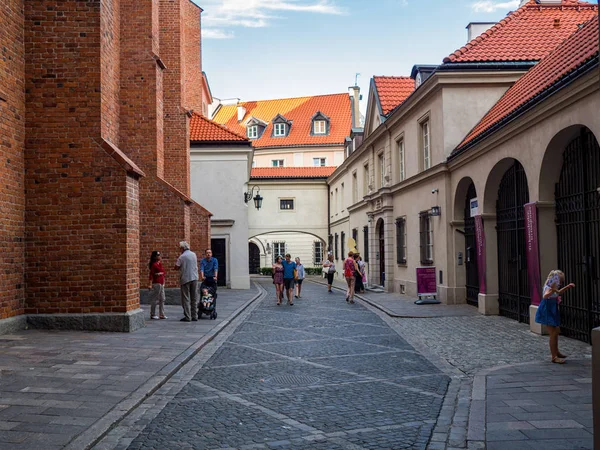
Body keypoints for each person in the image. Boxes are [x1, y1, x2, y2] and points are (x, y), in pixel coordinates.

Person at [535, 270, 575, 364]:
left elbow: (559, 292)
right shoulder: (549, 287)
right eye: (559, 281)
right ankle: (554, 356)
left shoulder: (553, 287)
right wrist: (552, 290)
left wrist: (567, 287)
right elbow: (545, 296)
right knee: (553, 332)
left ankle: (556, 352)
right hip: (548, 309)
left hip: (551, 308)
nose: (560, 283)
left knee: (556, 331)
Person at [175, 241, 199, 322]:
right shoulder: (194, 254)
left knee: (186, 298)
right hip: (194, 277)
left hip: (185, 279)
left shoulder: (182, 257)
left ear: (182, 248)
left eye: (179, 248)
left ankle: (188, 316)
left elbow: (177, 266)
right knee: (194, 298)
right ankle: (195, 315)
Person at [148, 251, 167, 320]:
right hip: (156, 283)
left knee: (162, 298)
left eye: (159, 255)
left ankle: (162, 314)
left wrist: (161, 274)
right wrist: (150, 284)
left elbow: (164, 272)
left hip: (161, 283)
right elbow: (151, 275)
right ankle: (152, 314)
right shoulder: (154, 265)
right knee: (155, 299)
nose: (159, 256)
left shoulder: (160, 264)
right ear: (155, 257)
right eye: (158, 255)